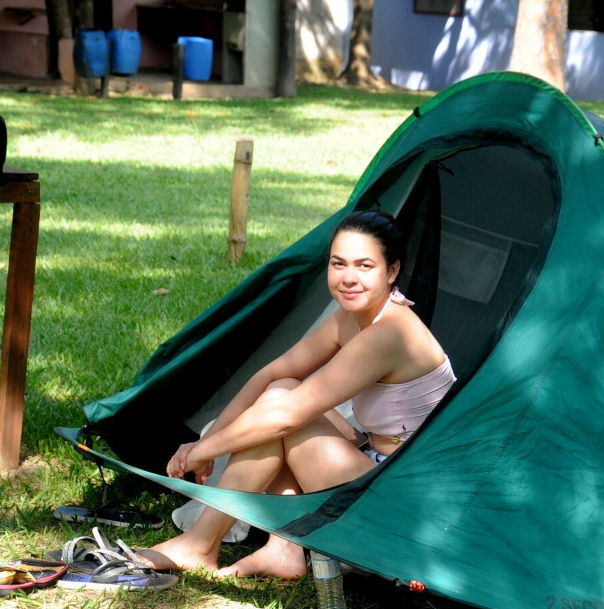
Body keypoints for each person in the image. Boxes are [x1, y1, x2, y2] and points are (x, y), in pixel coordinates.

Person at [143, 209, 455, 579]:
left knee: (285, 413)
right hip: (377, 466)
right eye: (338, 264)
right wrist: (208, 440)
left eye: (365, 266)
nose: (349, 278)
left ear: (392, 271)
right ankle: (282, 549)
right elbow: (275, 373)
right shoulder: (348, 319)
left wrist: (200, 452)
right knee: (281, 389)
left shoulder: (392, 332)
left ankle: (201, 545)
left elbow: (286, 418)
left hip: (407, 509)